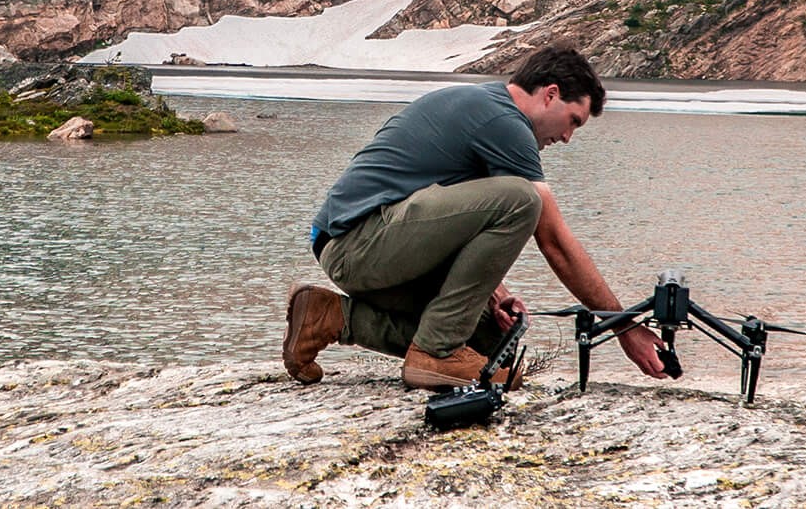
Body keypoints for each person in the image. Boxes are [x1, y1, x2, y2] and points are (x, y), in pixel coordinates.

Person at [283, 43, 670, 390]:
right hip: (356, 244)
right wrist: (626, 327)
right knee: (523, 199)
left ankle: (330, 317)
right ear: (550, 95)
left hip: (370, 250)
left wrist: (493, 294)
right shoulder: (503, 122)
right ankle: (434, 354)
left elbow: (458, 222)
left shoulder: (486, 107)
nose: (568, 137)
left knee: (491, 338)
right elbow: (553, 241)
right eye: (573, 121)